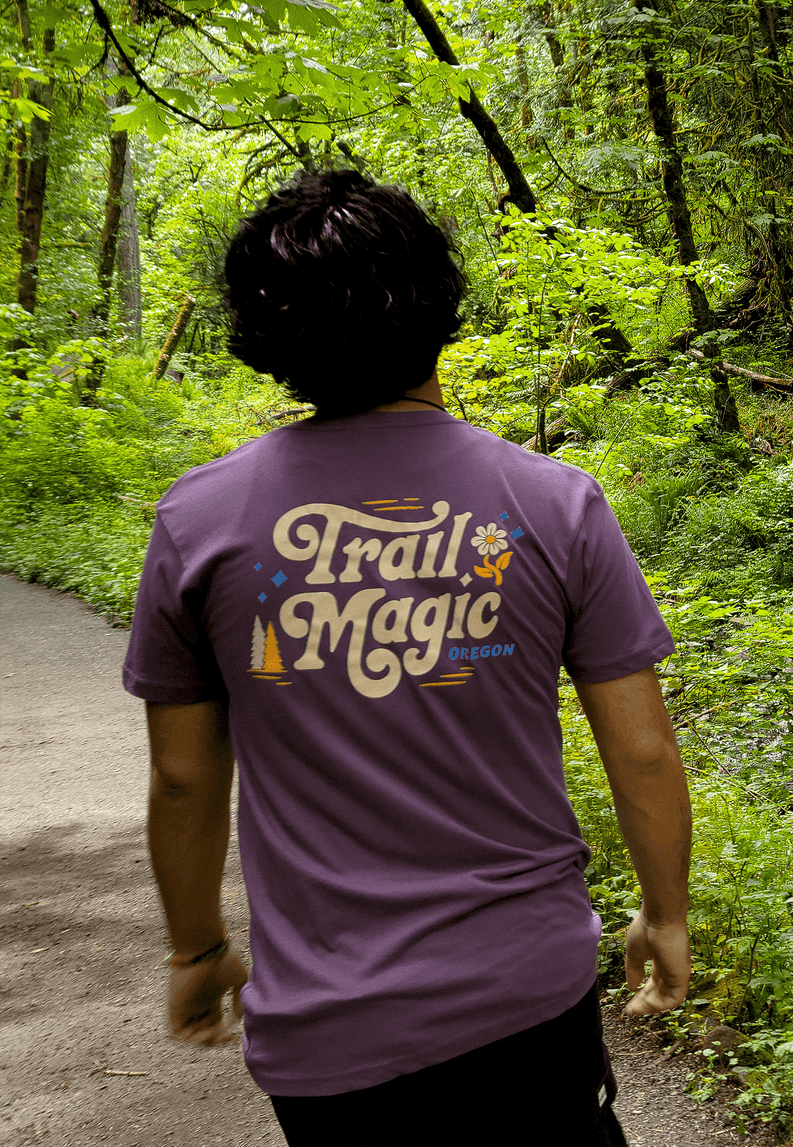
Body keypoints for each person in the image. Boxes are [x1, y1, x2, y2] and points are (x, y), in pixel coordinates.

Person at [122, 171, 692, 1144]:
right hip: (525, 992)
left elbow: (183, 780)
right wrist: (663, 914)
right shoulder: (555, 505)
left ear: (270, 339)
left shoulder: (199, 520)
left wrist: (198, 949)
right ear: (440, 307)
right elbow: (640, 752)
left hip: (328, 1029)